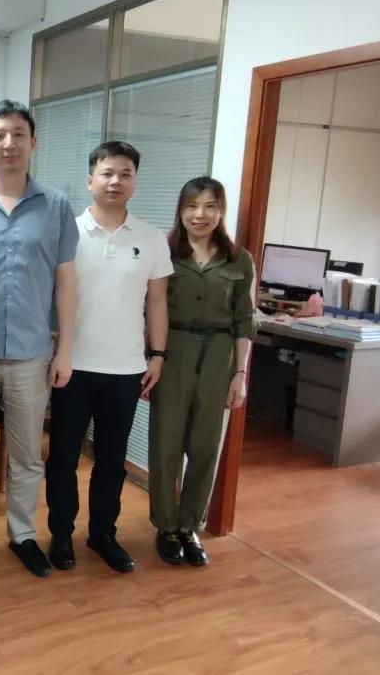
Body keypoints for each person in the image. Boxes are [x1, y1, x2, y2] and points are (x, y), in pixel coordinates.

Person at [0, 100, 77, 583]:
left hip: (32, 356)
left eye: (18, 134)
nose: (9, 144)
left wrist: (65, 349)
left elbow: (66, 282)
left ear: (32, 143)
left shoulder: (56, 206)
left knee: (26, 457)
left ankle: (23, 535)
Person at [44, 141, 172, 574]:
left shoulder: (151, 238)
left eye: (125, 174)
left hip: (126, 369)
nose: (116, 181)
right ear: (90, 180)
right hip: (73, 366)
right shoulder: (68, 233)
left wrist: (157, 355)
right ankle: (61, 534)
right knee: (63, 457)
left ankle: (103, 534)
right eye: (107, 173)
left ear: (134, 181)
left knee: (112, 461)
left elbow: (157, 302)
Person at [149, 177, 255, 567]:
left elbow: (244, 320)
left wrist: (240, 373)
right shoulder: (164, 252)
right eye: (192, 206)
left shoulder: (238, 259)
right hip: (173, 353)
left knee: (206, 447)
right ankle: (165, 525)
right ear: (181, 210)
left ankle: (189, 526)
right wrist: (151, 359)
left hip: (219, 357)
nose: (200, 215)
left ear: (221, 211)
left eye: (210, 206)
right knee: (166, 444)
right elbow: (150, 308)